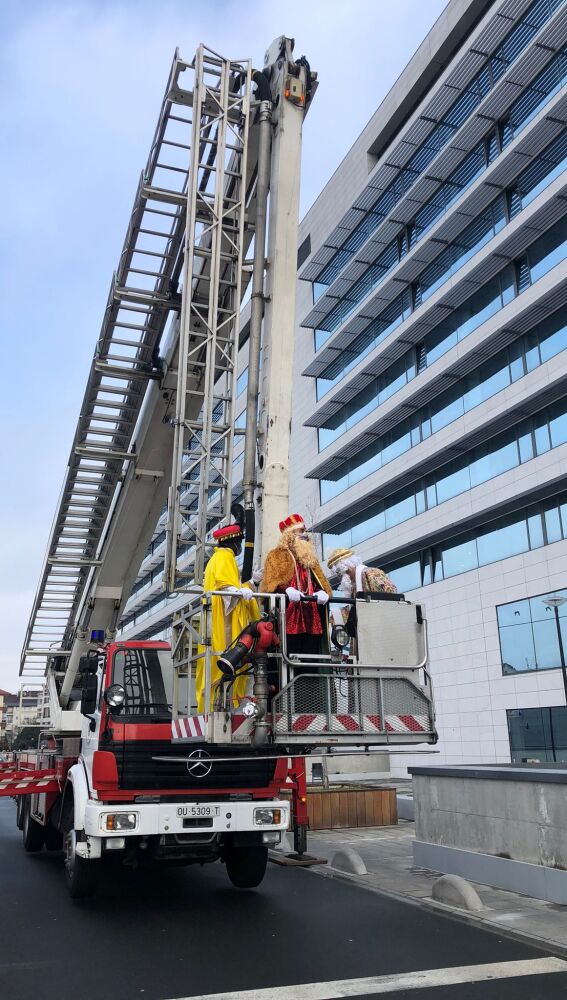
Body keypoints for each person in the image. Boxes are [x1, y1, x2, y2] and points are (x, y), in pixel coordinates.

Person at [197, 523, 260, 712]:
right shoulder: (224, 557)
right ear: (231, 542)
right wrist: (239, 591)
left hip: (219, 618)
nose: (240, 546)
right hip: (223, 622)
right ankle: (225, 703)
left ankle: (224, 701)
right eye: (238, 542)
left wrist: (250, 584)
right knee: (225, 661)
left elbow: (229, 587)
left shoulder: (220, 558)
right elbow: (225, 587)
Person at [261, 514, 332, 657]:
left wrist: (322, 591)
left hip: (312, 617)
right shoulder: (275, 555)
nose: (305, 534)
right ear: (290, 534)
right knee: (291, 655)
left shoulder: (310, 558)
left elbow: (318, 580)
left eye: (304, 530)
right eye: (300, 531)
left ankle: (310, 680)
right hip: (289, 615)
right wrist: (285, 588)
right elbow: (270, 582)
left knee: (312, 657)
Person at [326, 546, 397, 630]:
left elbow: (390, 600)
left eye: (341, 573)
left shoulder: (372, 573)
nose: (341, 578)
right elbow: (355, 611)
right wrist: (336, 615)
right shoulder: (354, 585)